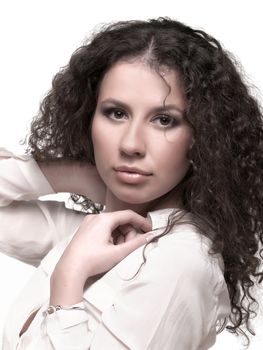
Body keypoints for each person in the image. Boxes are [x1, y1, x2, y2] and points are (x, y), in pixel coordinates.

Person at [0, 17, 263, 349]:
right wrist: (78, 176)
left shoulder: (180, 261)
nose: (130, 144)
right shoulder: (94, 234)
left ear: (203, 137)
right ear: (88, 117)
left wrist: (68, 278)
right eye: (116, 113)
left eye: (164, 120)